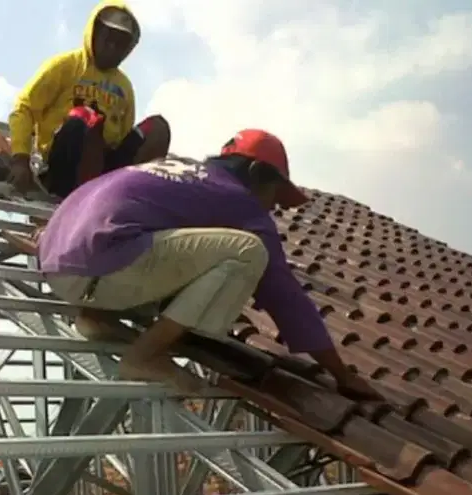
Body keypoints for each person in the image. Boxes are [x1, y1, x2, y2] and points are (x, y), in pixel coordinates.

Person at [36, 128, 384, 400]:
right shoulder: (241, 201)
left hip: (58, 263)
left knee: (169, 247)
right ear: (255, 173)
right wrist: (341, 375)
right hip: (100, 265)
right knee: (248, 251)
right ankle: (146, 354)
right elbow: (285, 297)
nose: (273, 209)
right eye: (275, 197)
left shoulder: (177, 172)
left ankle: (96, 315)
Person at [7, 1, 171, 198]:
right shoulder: (65, 66)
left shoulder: (124, 87)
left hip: (105, 168)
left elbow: (125, 134)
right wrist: (20, 159)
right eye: (108, 39)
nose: (112, 47)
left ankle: (131, 197)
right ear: (94, 34)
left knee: (157, 128)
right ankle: (75, 195)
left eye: (120, 44)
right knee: (85, 116)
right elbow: (24, 108)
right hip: (63, 161)